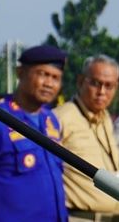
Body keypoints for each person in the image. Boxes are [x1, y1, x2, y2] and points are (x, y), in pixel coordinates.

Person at [0, 45, 69, 222]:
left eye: (56, 77)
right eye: (43, 74)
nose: (49, 83)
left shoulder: (51, 120)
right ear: (20, 72)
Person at [54, 54, 119, 220]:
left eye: (109, 86)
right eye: (95, 83)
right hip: (80, 217)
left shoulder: (105, 118)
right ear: (80, 81)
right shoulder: (60, 118)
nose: (102, 92)